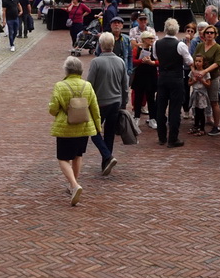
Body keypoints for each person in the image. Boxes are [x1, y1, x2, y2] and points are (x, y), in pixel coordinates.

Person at [49, 56, 102, 205]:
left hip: (65, 127)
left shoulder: (60, 86)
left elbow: (53, 109)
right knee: (78, 155)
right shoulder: (87, 85)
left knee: (63, 158)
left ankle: (74, 184)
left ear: (66, 70)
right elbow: (95, 108)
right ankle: (74, 183)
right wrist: (98, 126)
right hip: (84, 126)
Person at [86, 32, 129, 176]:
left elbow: (89, 84)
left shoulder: (96, 62)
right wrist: (124, 102)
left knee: (93, 131)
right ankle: (106, 162)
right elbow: (125, 85)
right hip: (115, 102)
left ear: (100, 45)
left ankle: (107, 156)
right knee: (109, 133)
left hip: (100, 103)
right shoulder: (120, 62)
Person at [153, 18, 194, 148]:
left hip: (163, 77)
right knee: (175, 109)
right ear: (176, 30)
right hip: (176, 78)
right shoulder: (180, 45)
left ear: (165, 29)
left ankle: (161, 137)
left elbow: (156, 57)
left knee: (160, 107)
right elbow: (189, 61)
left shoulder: (157, 43)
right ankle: (173, 138)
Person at [131, 30, 158, 129]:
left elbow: (159, 60)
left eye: (152, 38)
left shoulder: (155, 49)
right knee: (138, 97)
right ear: (144, 39)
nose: (152, 40)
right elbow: (133, 61)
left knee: (151, 98)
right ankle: (136, 117)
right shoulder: (137, 49)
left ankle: (152, 119)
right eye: (150, 38)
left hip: (151, 75)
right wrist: (141, 60)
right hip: (140, 75)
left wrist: (152, 62)